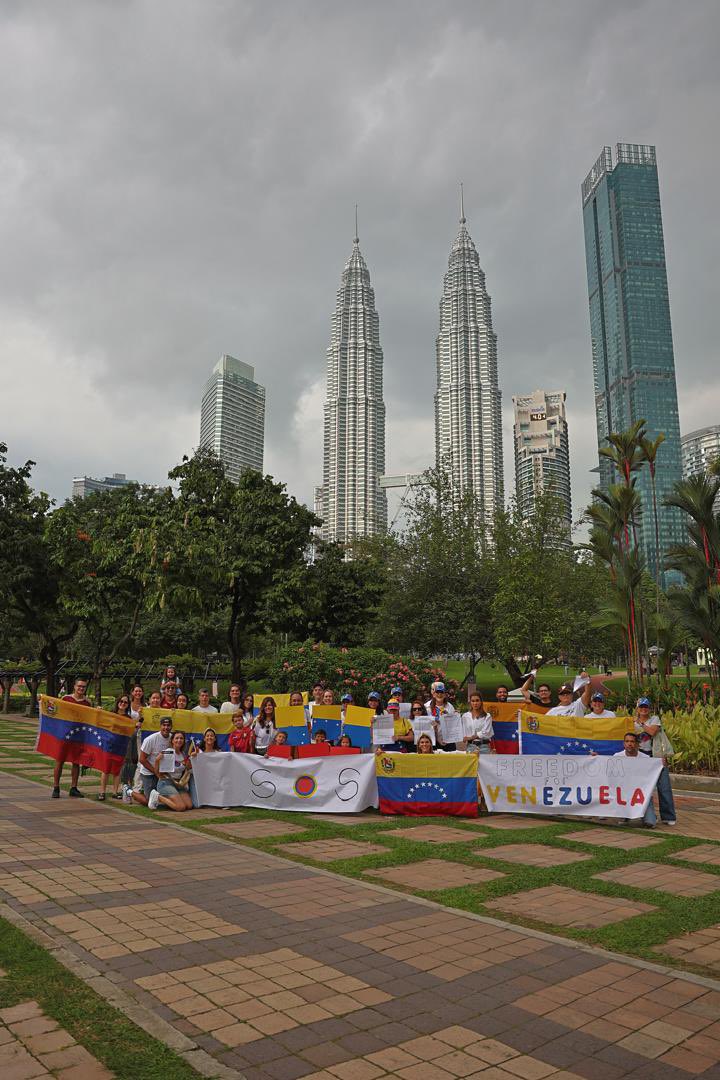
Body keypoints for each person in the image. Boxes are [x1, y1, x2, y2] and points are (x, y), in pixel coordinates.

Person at [634, 697, 677, 825]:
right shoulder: (631, 722)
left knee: (663, 787)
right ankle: (646, 814)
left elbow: (652, 731)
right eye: (641, 707)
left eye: (646, 707)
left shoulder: (654, 719)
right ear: (637, 708)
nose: (643, 709)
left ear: (649, 708)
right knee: (641, 787)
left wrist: (640, 723)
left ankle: (668, 816)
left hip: (656, 757)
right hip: (640, 757)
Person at [52, 677, 92, 798]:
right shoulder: (66, 699)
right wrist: (42, 701)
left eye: (83, 687)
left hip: (79, 736)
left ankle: (73, 787)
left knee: (76, 762)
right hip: (65, 735)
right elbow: (56, 710)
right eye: (79, 686)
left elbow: (90, 719)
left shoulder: (88, 702)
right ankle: (56, 787)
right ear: (74, 687)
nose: (81, 688)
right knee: (60, 760)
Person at [614, 732, 658, 827]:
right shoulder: (617, 757)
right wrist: (596, 758)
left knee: (650, 823)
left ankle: (648, 815)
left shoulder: (646, 758)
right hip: (623, 794)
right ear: (624, 743)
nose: (629, 744)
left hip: (641, 794)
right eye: (627, 741)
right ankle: (626, 815)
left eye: (632, 742)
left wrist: (662, 763)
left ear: (637, 744)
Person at [148, 730, 192, 812]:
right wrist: (157, 760)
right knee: (180, 807)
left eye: (181, 738)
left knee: (189, 805)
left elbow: (188, 769)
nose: (179, 740)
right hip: (166, 782)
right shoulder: (168, 752)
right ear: (172, 740)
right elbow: (157, 772)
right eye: (177, 738)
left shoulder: (183, 754)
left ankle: (171, 800)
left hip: (179, 784)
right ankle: (157, 796)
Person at [98, 694, 133, 800]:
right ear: (118, 702)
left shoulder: (128, 718)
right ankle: (102, 792)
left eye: (125, 702)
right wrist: (99, 712)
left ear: (128, 705)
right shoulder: (111, 714)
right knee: (106, 769)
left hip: (121, 746)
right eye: (121, 701)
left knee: (117, 770)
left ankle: (115, 791)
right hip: (109, 745)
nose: (123, 703)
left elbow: (131, 731)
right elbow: (100, 722)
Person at [134, 716, 173, 806]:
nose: (166, 728)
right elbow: (142, 759)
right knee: (149, 801)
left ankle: (149, 789)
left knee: (165, 798)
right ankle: (129, 791)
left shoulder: (173, 738)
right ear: (160, 726)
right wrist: (156, 772)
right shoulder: (151, 739)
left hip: (164, 772)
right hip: (149, 772)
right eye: (164, 725)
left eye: (168, 725)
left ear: (171, 726)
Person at [425, 682, 457, 750]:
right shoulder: (426, 707)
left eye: (442, 692)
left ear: (445, 694)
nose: (439, 694)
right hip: (431, 741)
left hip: (448, 741)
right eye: (437, 692)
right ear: (433, 694)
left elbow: (453, 726)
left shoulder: (450, 707)